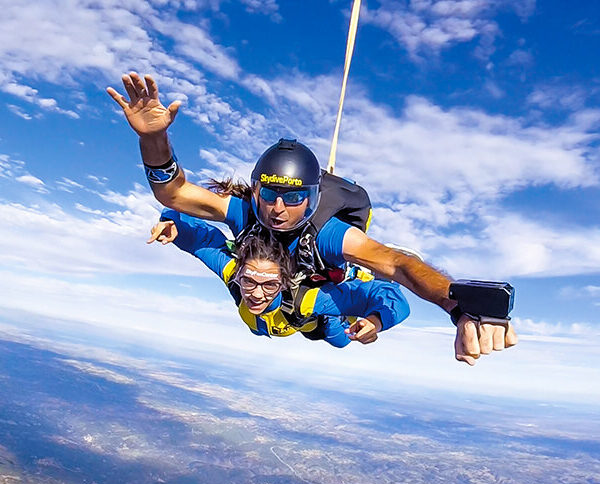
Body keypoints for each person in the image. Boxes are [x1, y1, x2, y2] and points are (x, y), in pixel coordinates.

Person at [107, 72, 518, 365]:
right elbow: (175, 195)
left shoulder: (329, 237)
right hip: (283, 310)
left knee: (337, 335)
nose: (278, 209)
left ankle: (344, 303)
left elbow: (398, 265)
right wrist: (153, 138)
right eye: (269, 194)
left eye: (295, 198)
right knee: (267, 320)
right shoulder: (243, 214)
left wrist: (458, 304)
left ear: (314, 198)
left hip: (317, 301)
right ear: (256, 189)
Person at [149, 211, 410, 347]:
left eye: (269, 284)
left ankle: (358, 274)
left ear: (283, 282)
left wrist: (376, 321)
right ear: (240, 272)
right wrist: (174, 226)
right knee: (261, 325)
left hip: (316, 321)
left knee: (341, 340)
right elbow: (202, 241)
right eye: (249, 281)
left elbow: (394, 300)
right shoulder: (233, 273)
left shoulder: (309, 300)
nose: (256, 293)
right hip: (282, 324)